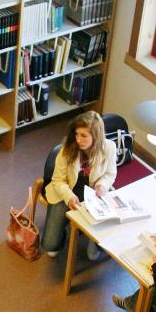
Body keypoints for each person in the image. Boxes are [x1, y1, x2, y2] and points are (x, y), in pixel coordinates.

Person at [41, 111, 117, 258]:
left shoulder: (109, 147)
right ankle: (62, 231)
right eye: (77, 134)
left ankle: (94, 240)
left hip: (93, 194)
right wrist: (69, 196)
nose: (78, 140)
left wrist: (102, 185)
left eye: (84, 136)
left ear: (96, 135)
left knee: (92, 256)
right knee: (50, 246)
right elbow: (58, 180)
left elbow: (110, 174)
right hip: (67, 191)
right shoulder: (67, 149)